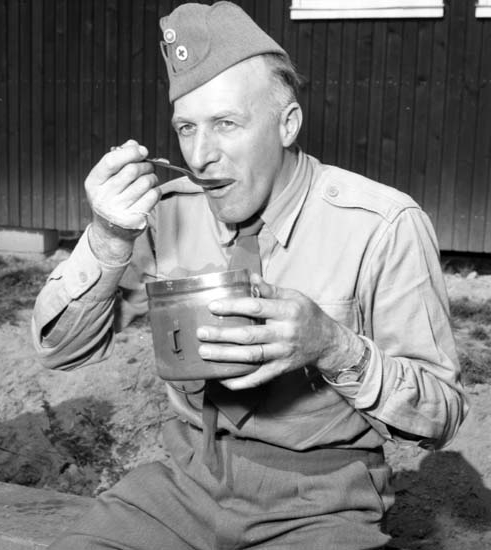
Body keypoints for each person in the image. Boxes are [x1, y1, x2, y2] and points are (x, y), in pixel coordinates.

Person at [32, 2, 468, 549]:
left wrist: (334, 347)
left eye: (226, 124)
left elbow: (441, 414)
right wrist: (108, 238)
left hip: (322, 506)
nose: (200, 156)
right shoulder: (164, 213)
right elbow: (60, 351)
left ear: (288, 124)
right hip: (184, 487)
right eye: (186, 128)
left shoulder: (383, 225)